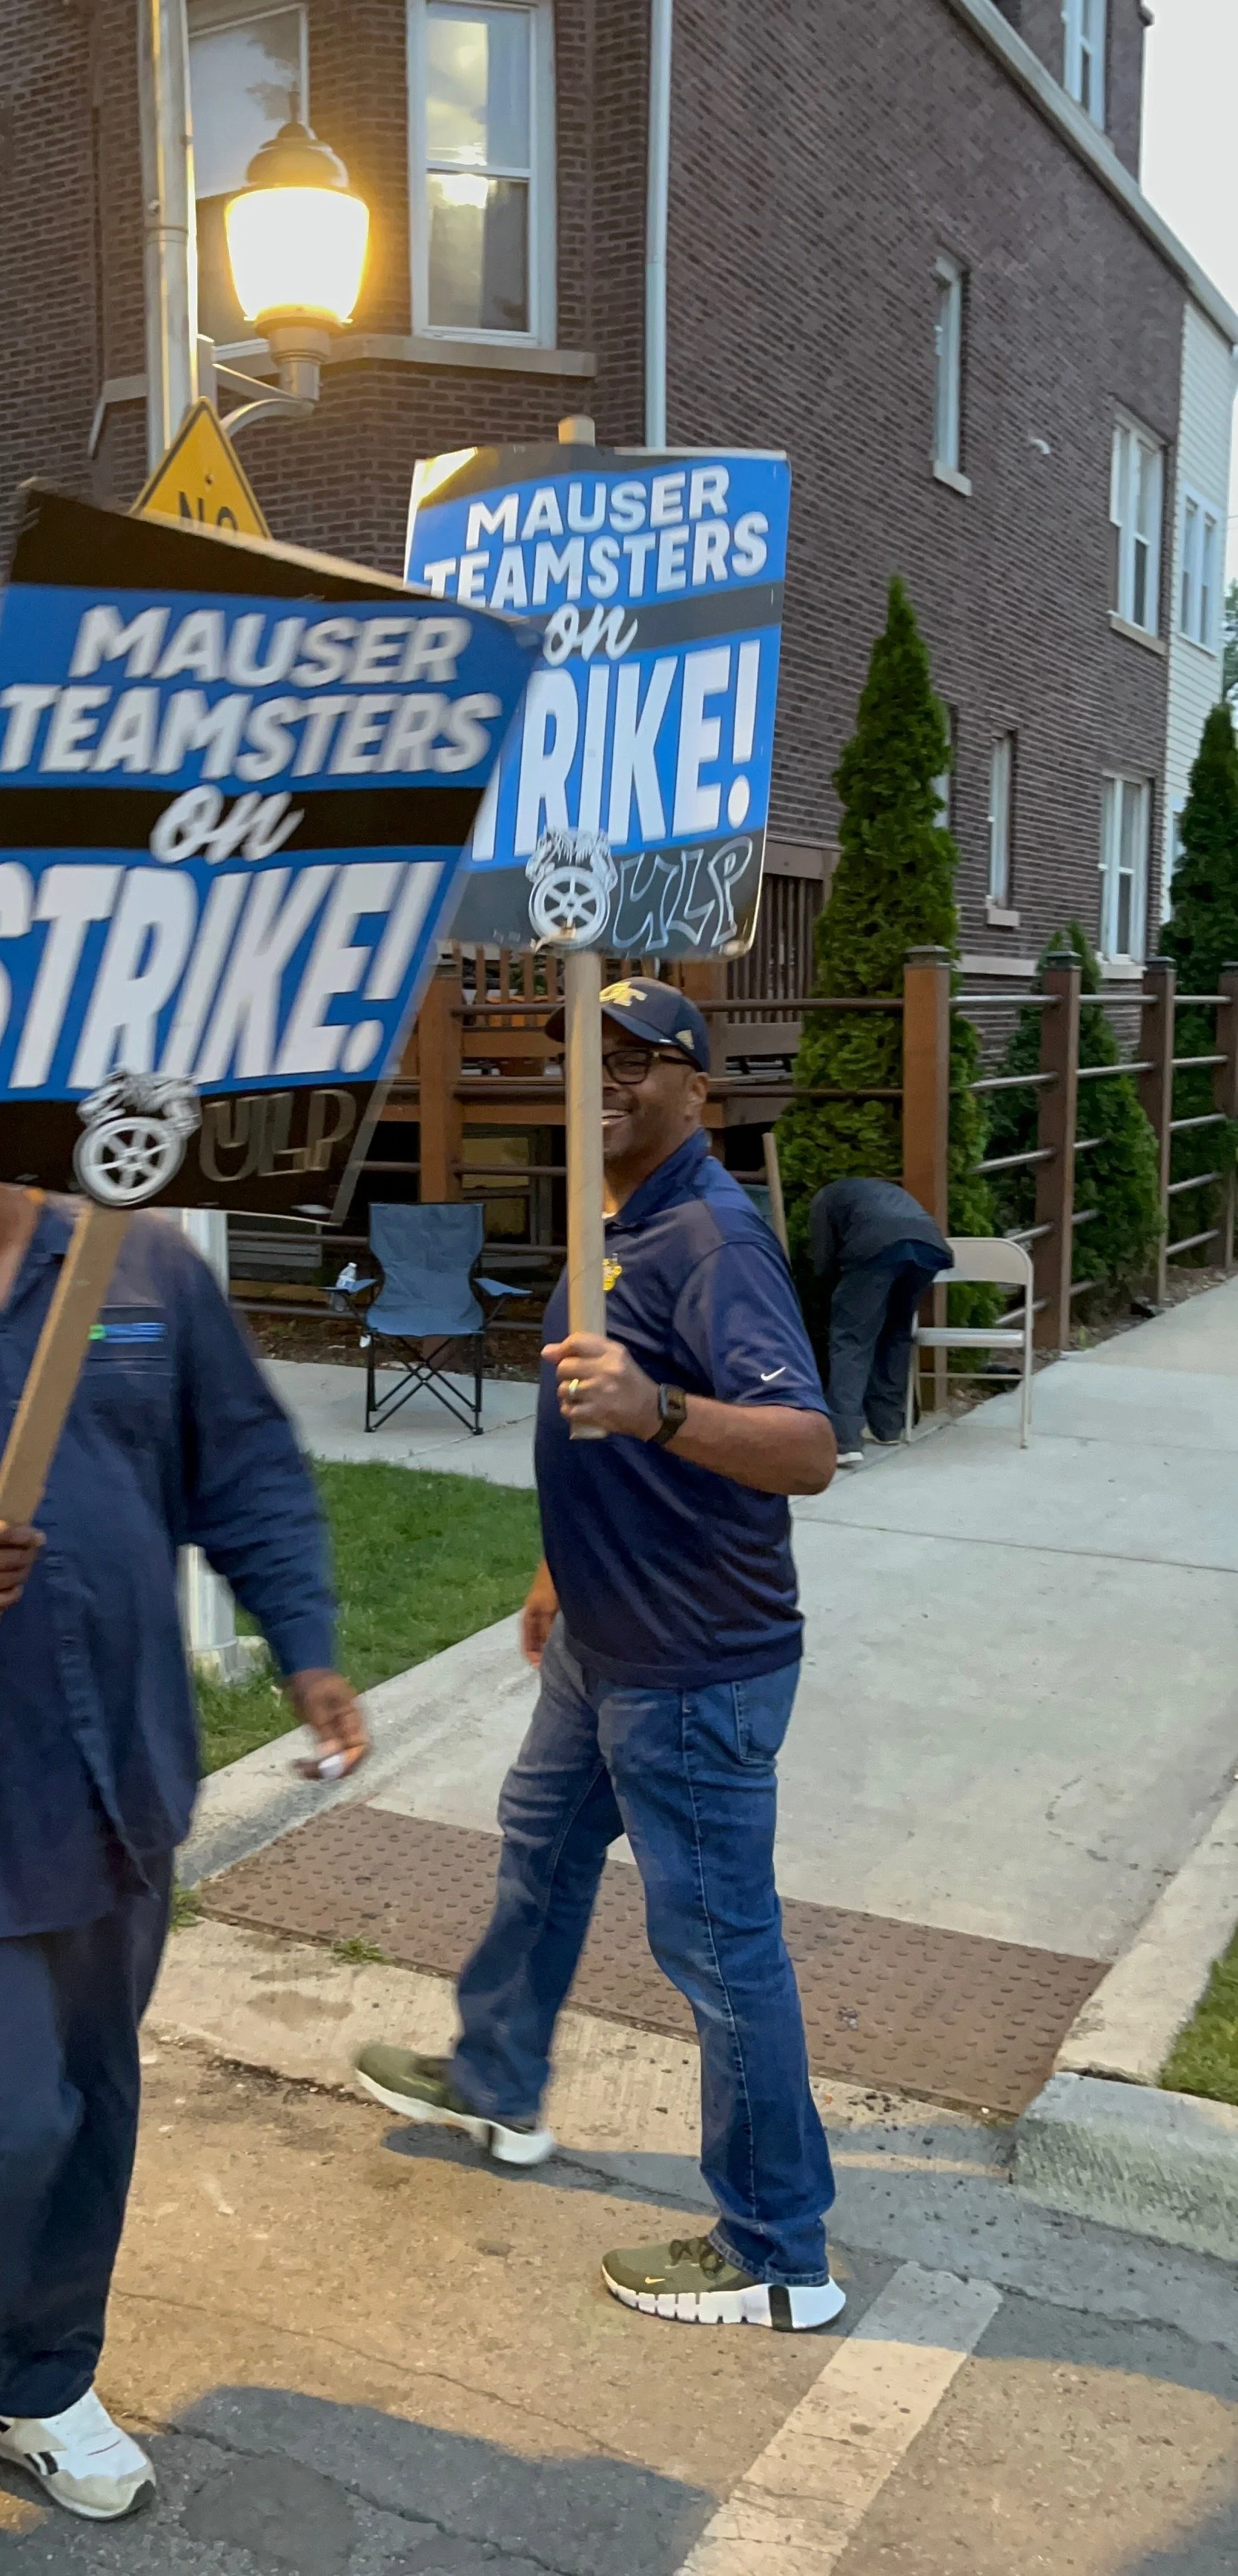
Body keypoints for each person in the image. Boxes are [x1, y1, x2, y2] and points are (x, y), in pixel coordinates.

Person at [0, 1004, 366, 2576]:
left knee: (88, 2107)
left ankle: (33, 2386)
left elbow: (237, 1462)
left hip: (112, 1793)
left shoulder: (134, 1269)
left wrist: (306, 1643)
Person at [357, 978, 845, 2331]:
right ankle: (500, 2081)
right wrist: (554, 1567)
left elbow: (805, 1448)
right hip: (603, 1636)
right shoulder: (607, 1219)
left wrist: (661, 1406)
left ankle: (779, 2252)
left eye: (642, 1060)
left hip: (694, 1662)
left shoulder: (712, 1240)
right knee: (542, 1847)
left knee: (719, 1950)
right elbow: (589, 1431)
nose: (608, 1078)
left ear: (704, 1091)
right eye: (588, 1057)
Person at [809, 1176, 953, 1465]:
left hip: (876, 1249)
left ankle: (845, 1440)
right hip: (928, 1248)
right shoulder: (885, 1192)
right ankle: (888, 1426)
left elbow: (823, 1260)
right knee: (896, 1333)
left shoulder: (824, 1200)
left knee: (851, 1339)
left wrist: (828, 1296)